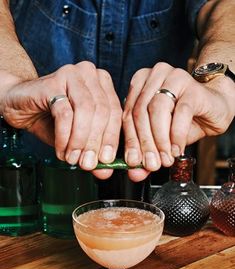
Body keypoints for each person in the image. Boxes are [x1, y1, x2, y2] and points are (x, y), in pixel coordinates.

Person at [0, 0, 234, 184]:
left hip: (156, 173)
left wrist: (221, 84)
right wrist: (12, 81)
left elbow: (222, 5)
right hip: (27, 171)